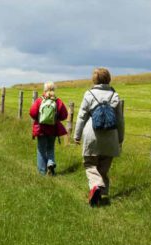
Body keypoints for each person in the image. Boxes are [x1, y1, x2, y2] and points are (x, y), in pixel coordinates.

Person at [73, 67, 125, 206]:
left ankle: (95, 186)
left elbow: (81, 116)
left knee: (90, 164)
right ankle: (100, 196)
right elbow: (120, 119)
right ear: (108, 79)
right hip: (110, 137)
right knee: (103, 168)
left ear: (94, 80)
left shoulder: (89, 94)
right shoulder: (115, 95)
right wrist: (120, 138)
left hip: (92, 136)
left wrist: (77, 135)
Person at [29, 82, 68, 175]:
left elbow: (32, 113)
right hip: (53, 129)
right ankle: (50, 163)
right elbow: (64, 115)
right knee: (50, 148)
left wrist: (39, 118)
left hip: (41, 129)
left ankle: (42, 172)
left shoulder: (39, 100)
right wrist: (56, 118)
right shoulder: (58, 101)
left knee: (41, 149)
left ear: (44, 89)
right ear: (54, 89)